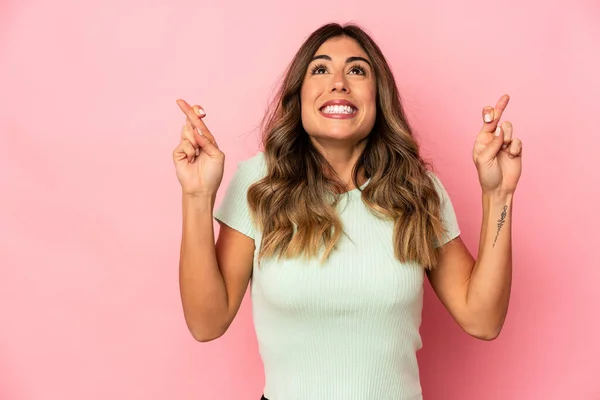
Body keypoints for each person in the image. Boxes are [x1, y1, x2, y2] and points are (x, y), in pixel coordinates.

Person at [172, 22, 522, 400]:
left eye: (357, 70)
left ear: (378, 97)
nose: (338, 82)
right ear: (299, 96)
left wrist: (498, 194)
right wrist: (196, 195)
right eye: (320, 69)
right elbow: (206, 323)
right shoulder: (259, 184)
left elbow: (483, 319)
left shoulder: (415, 190)